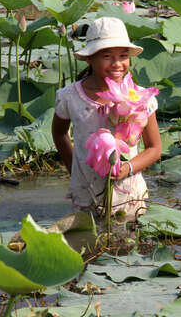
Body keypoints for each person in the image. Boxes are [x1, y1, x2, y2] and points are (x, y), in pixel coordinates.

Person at [52, 17, 161, 222]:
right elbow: (58, 133)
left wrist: (127, 168)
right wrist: (74, 167)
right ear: (89, 58)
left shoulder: (141, 97)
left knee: (126, 246)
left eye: (123, 55)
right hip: (86, 192)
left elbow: (154, 148)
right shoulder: (70, 97)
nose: (117, 63)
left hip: (129, 195)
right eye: (107, 56)